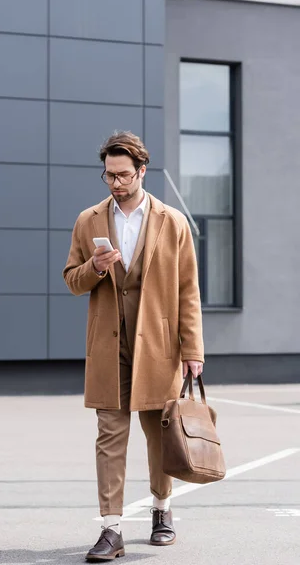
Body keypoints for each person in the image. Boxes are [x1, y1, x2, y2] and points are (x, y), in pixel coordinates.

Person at [63, 131, 204, 561]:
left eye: (123, 175)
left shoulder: (172, 221)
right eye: (109, 175)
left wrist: (193, 350)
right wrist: (95, 266)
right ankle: (111, 529)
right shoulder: (89, 220)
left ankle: (162, 511)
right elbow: (72, 279)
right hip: (109, 345)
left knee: (158, 436)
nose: (115, 183)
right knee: (109, 435)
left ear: (142, 171)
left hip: (159, 344)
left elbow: (188, 290)